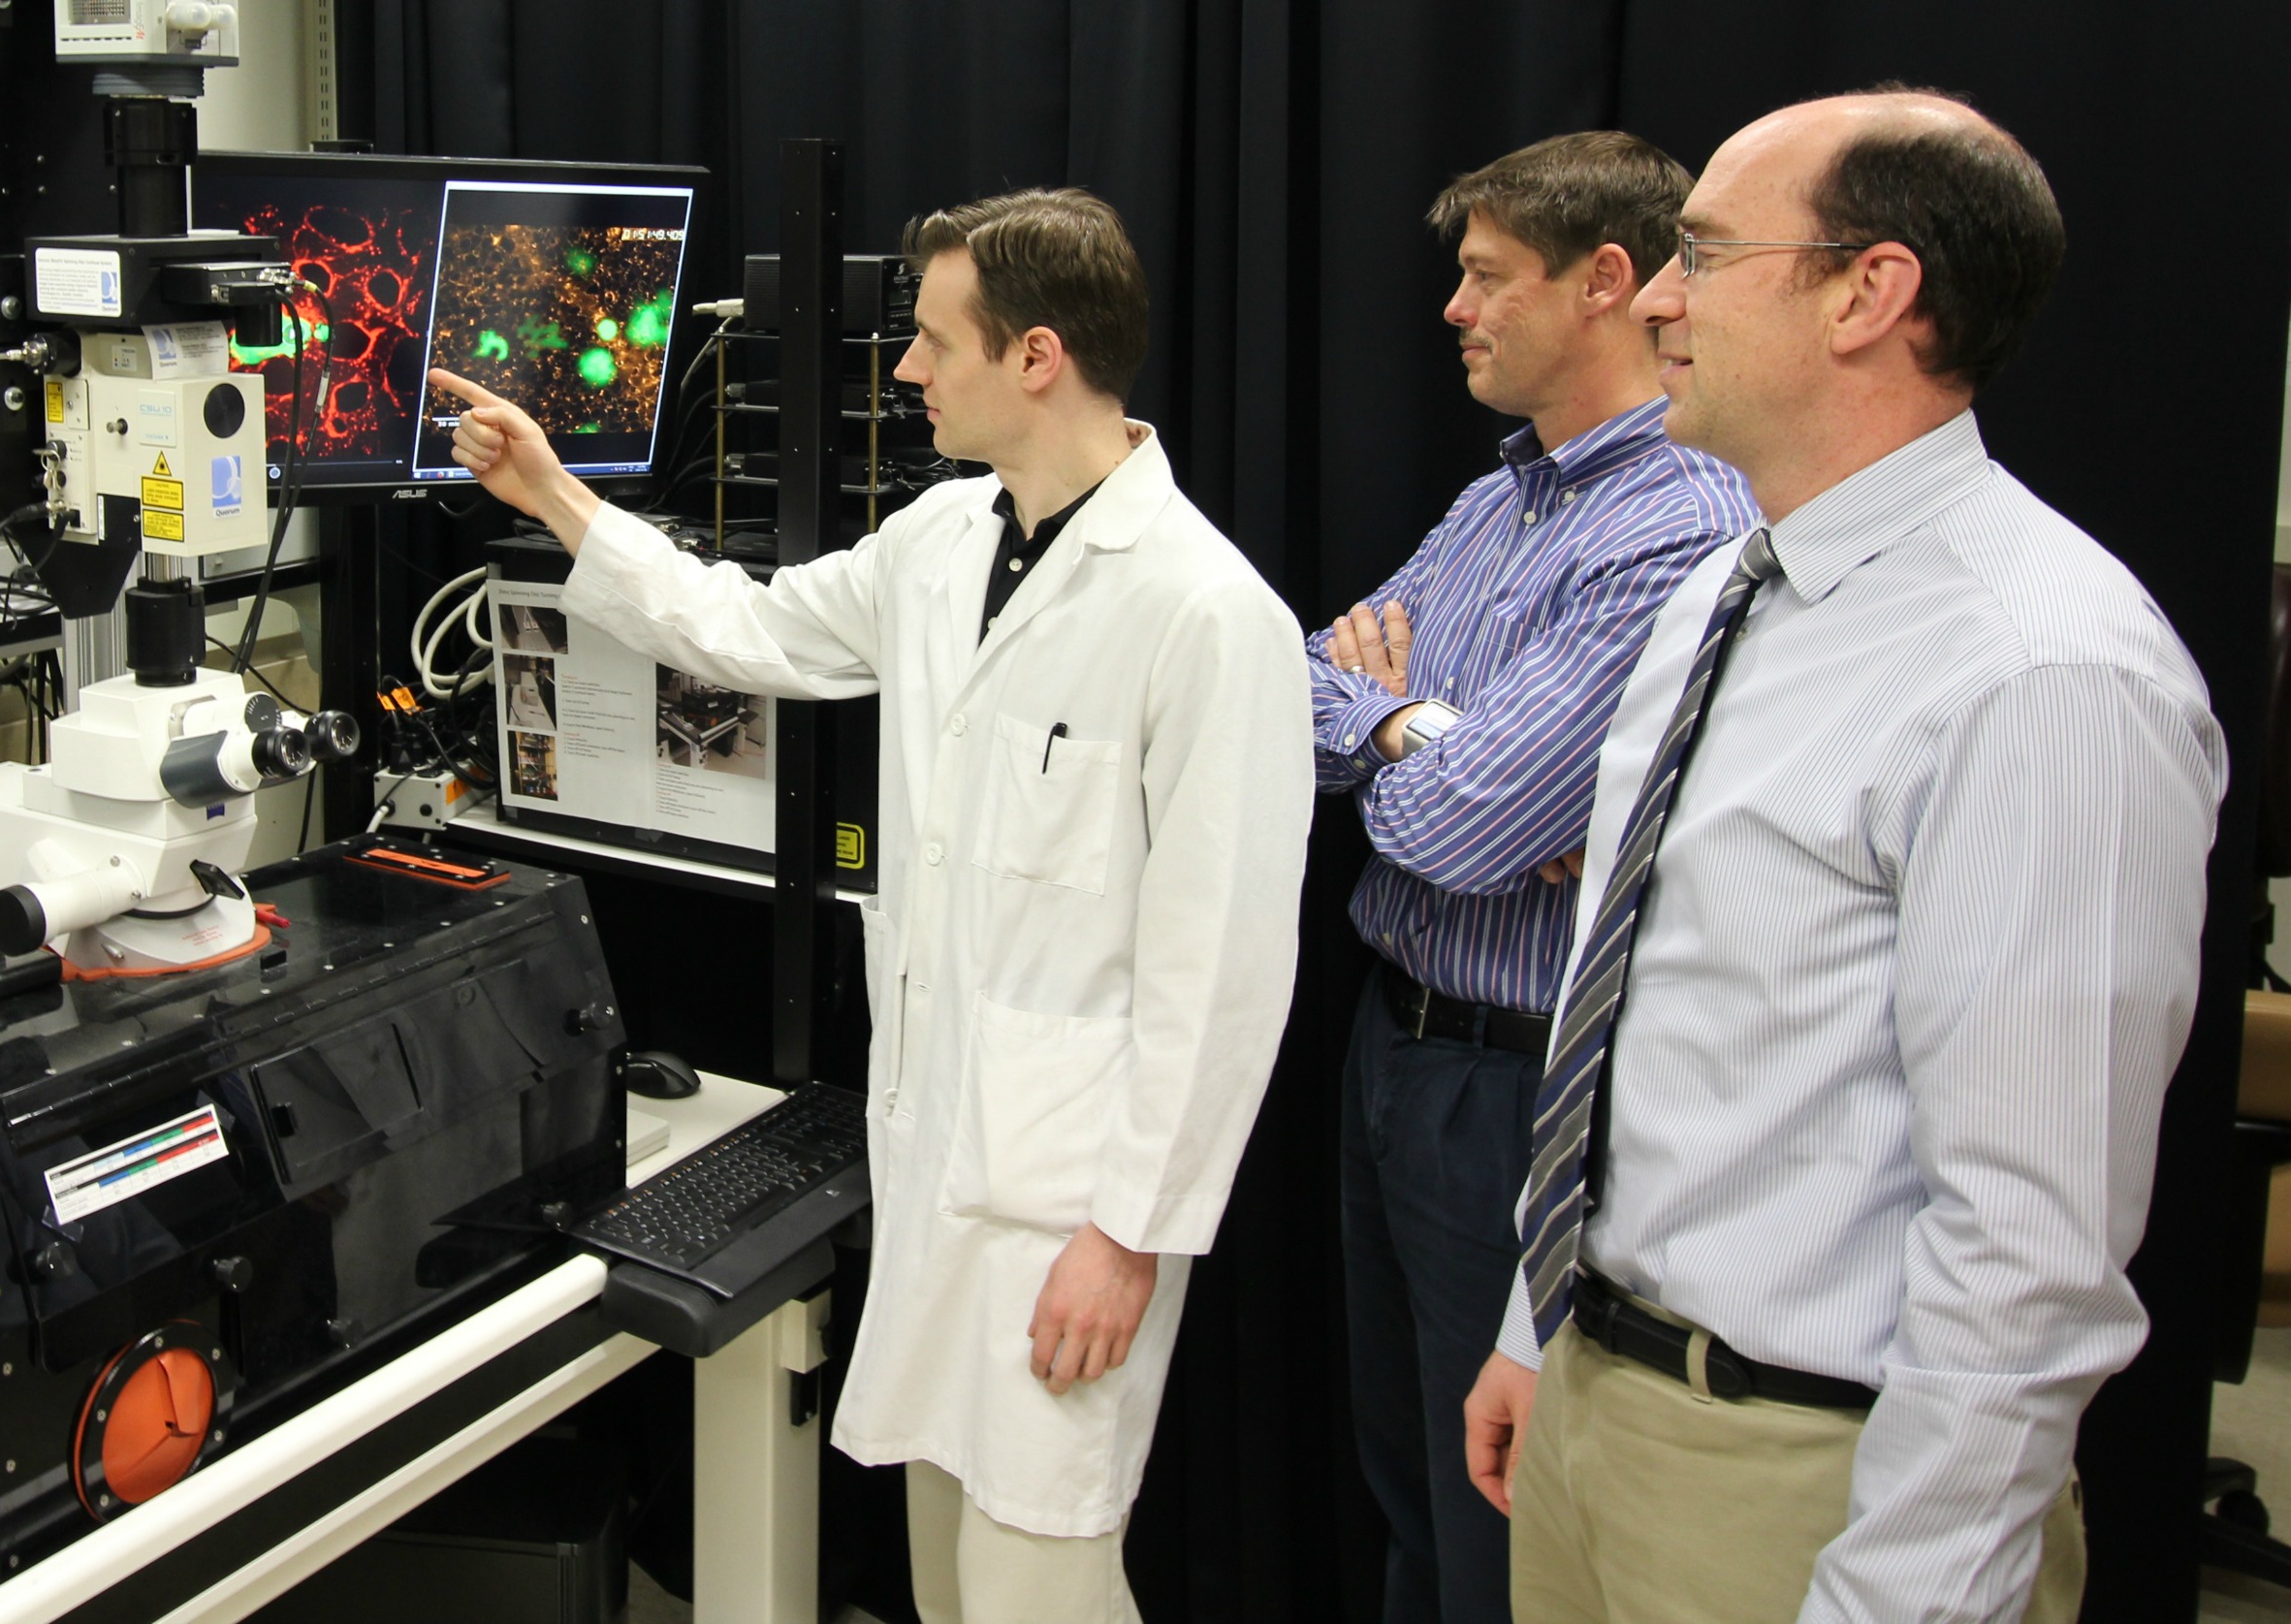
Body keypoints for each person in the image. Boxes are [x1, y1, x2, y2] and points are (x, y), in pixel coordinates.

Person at [429, 187, 1311, 1624]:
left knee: (1043, 1580)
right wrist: (553, 495)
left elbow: (1220, 973)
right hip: (941, 1161)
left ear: (1035, 358)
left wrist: (1130, 1236)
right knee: (949, 1576)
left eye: (931, 341)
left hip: (1068, 1213)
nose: (906, 371)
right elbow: (744, 627)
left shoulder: (1208, 617)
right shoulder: (943, 540)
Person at [1462, 88, 2226, 1624]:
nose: (1658, 295)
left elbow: (2026, 1252)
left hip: (1812, 1486)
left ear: (1869, 293)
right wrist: (1544, 1329)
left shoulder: (2040, 673)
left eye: (1702, 254)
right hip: (1601, 1408)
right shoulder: (1728, 591)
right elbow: (1646, 1019)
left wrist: (1905, 1596)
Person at [1308, 133, 1756, 1624]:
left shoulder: (1679, 521)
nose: (1452, 307)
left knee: (1492, 1519)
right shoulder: (1504, 498)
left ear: (1606, 281)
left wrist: (1400, 725)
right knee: (1407, 1495)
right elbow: (1296, 693)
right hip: (1396, 1047)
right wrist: (1421, 729)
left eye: (1487, 276)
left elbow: (1461, 834)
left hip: (1515, 1089)